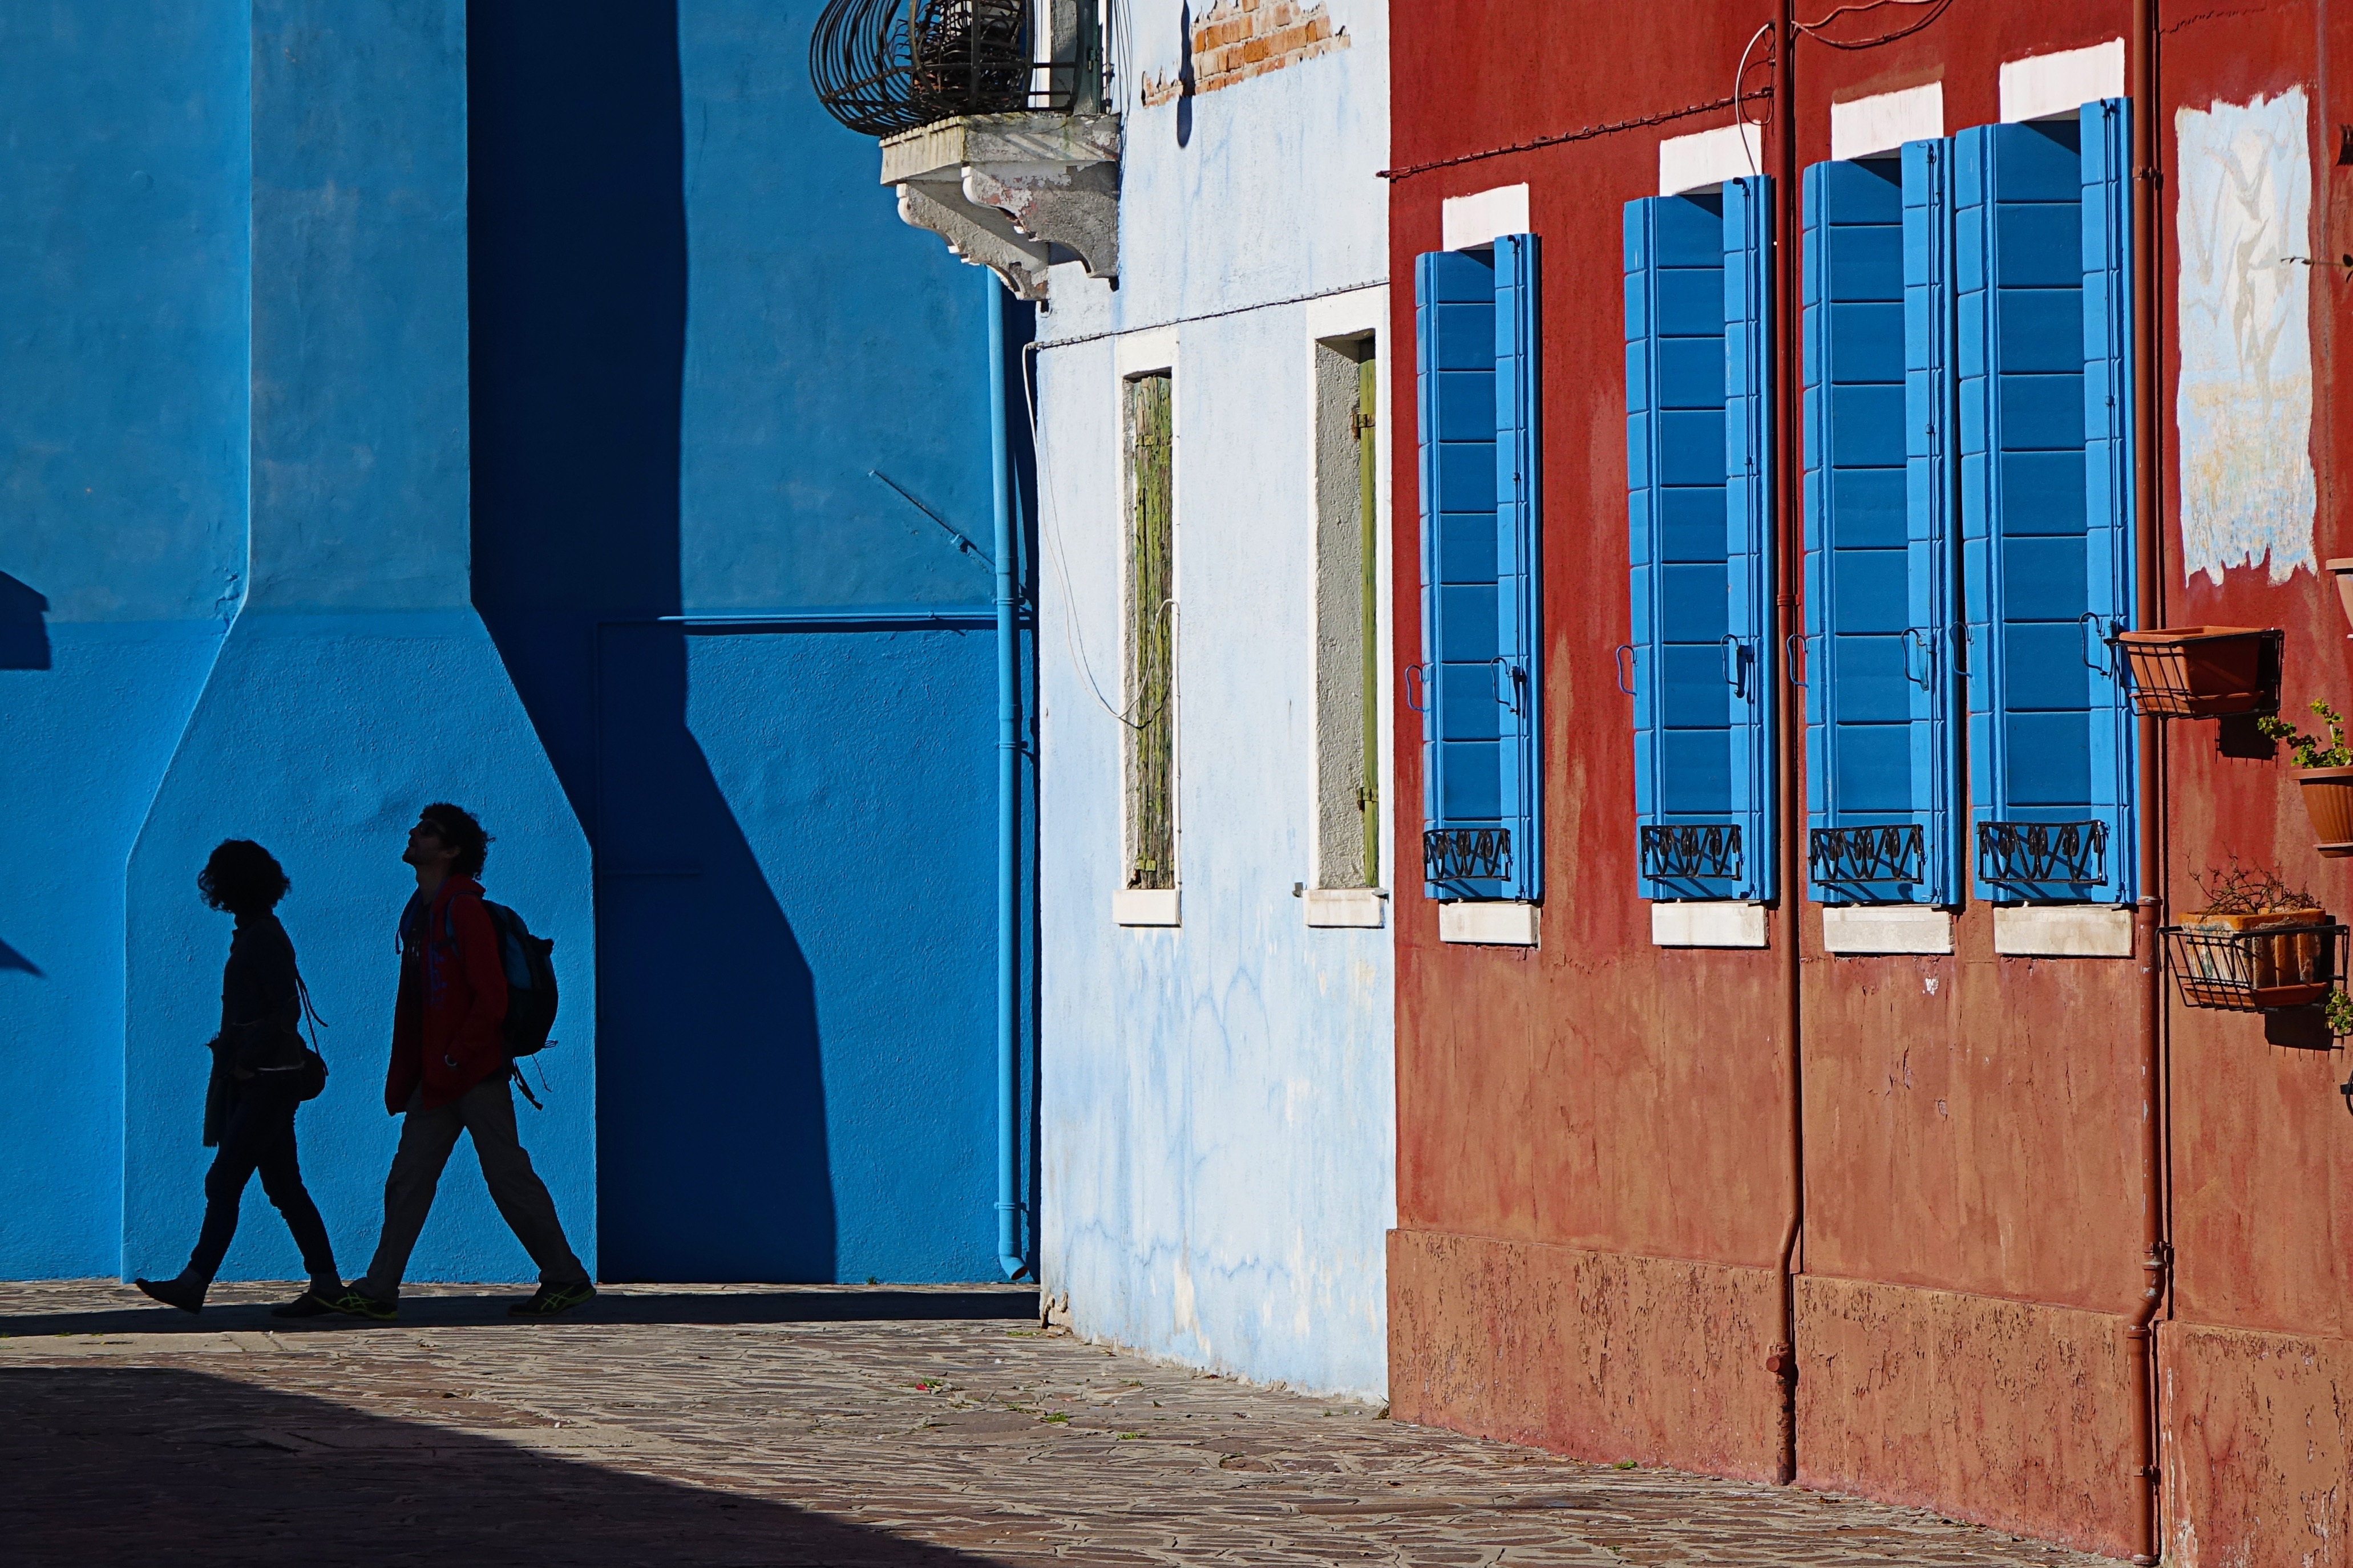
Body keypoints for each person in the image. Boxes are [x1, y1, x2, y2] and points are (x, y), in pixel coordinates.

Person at [329, 803, 595, 1321]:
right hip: (438, 1077)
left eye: (427, 831)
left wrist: (455, 1054)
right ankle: (380, 1287)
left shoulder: (464, 910)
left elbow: (492, 998)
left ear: (450, 851)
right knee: (408, 1179)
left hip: (472, 1072)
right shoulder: (420, 912)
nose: (413, 833)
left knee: (507, 1176)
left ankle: (566, 1276)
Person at [135, 841, 343, 1318]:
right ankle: (327, 1283)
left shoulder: (261, 937)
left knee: (224, 1179)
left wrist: (246, 1057)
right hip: (268, 1079)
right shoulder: (257, 931)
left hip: (268, 1080)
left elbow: (285, 1009)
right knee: (285, 1186)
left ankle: (193, 1282)